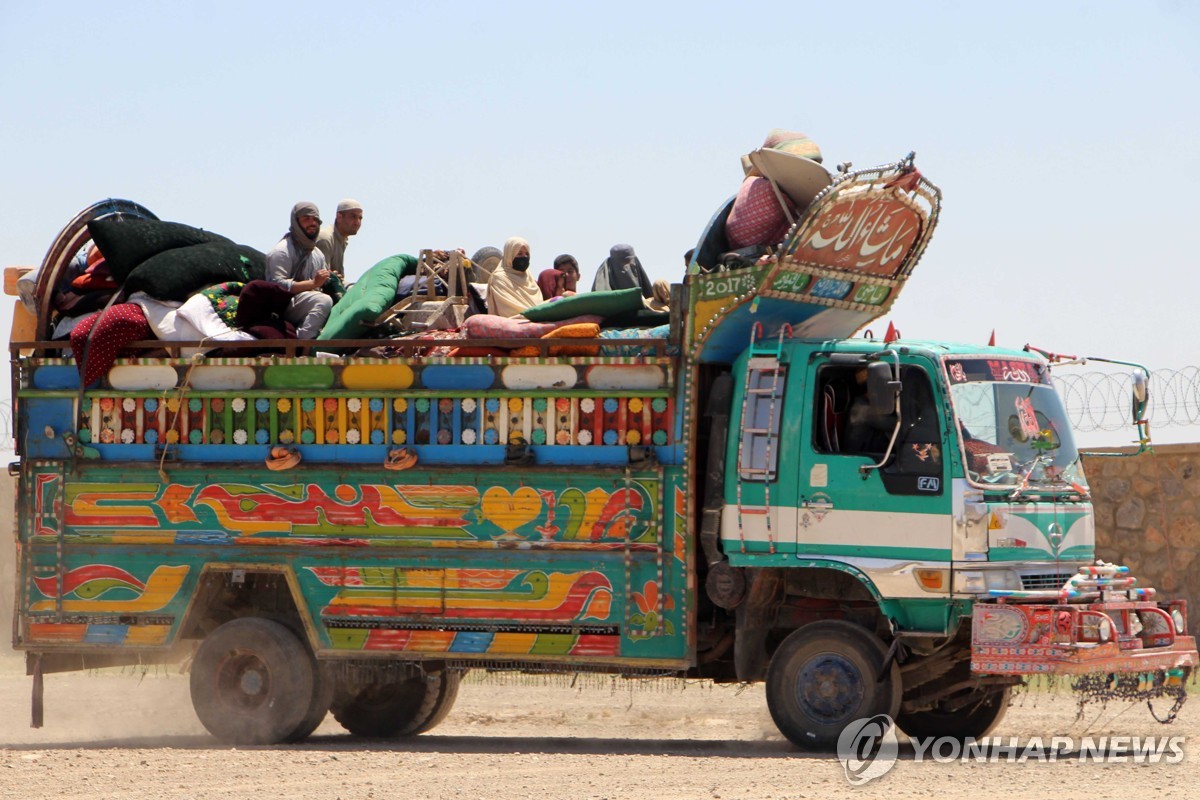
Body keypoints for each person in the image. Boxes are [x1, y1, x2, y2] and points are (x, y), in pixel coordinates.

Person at [265, 201, 333, 339]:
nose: (312, 223)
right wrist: (313, 284)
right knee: (323, 301)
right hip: (283, 305)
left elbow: (322, 282)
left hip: (308, 301)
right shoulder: (282, 251)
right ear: (296, 222)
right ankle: (303, 345)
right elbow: (277, 287)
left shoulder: (317, 254)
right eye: (306, 219)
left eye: (315, 220)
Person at [486, 236, 543, 317]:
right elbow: (508, 311)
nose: (524, 257)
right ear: (510, 255)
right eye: (519, 253)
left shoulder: (529, 279)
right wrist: (534, 316)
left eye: (527, 254)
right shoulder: (499, 278)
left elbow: (539, 306)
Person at [315, 198, 363, 278]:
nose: (357, 222)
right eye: (353, 217)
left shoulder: (342, 239)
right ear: (339, 217)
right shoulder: (326, 239)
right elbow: (322, 277)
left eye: (360, 218)